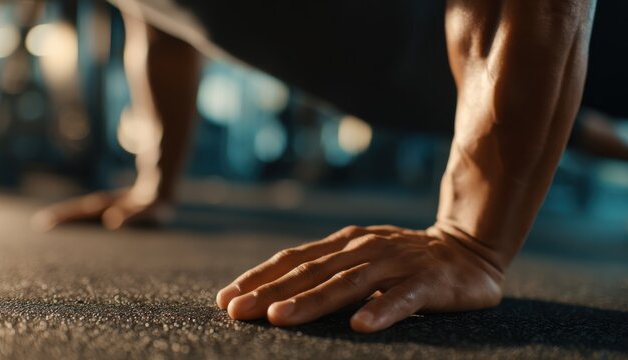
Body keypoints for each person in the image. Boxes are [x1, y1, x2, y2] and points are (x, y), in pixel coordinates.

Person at [34, 0, 622, 333]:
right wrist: (155, 183)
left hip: (535, 33)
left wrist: (471, 241)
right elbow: (161, 21)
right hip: (406, 71)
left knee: (591, 120)